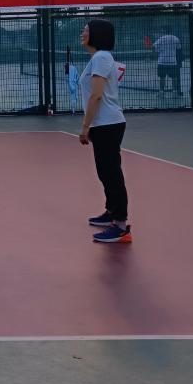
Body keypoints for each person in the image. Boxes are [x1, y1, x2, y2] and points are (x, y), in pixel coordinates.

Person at [78, 19, 132, 244]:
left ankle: (120, 226)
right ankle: (111, 212)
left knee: (111, 174)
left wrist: (85, 126)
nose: (82, 34)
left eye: (86, 31)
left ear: (96, 34)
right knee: (105, 172)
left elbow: (96, 95)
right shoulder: (99, 58)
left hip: (108, 124)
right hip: (104, 125)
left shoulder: (101, 57)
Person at [153, 28, 182, 95]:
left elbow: (154, 46)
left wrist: (158, 51)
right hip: (172, 61)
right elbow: (179, 48)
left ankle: (161, 91)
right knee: (174, 77)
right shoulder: (175, 38)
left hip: (162, 61)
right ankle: (174, 91)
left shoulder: (161, 38)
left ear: (165, 32)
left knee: (162, 77)